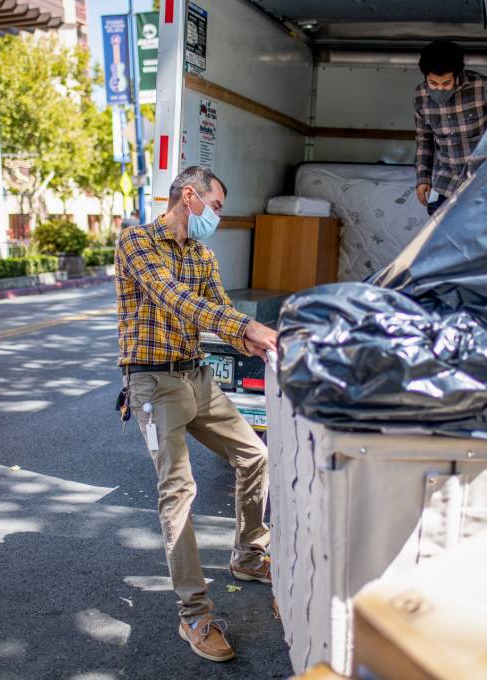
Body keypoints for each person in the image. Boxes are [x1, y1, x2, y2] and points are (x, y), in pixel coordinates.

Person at [114, 165, 278, 663]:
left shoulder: (203, 255)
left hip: (196, 376)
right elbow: (176, 300)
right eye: (218, 205)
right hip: (153, 382)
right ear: (191, 196)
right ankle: (195, 615)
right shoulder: (137, 242)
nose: (220, 217)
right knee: (179, 490)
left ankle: (249, 555)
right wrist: (247, 324)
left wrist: (260, 340)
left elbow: (218, 311)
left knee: (254, 455)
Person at [414, 40, 487, 215]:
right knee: (435, 228)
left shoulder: (484, 88)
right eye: (433, 83)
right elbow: (424, 141)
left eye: (446, 83)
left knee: (475, 235)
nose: (439, 88)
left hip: (482, 183)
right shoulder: (420, 96)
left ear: (457, 74)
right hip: (443, 184)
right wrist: (422, 178)